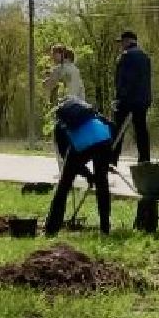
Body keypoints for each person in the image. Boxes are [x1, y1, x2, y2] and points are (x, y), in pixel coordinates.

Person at [45, 97, 113, 236]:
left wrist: (87, 175)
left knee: (63, 186)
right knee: (102, 183)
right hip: (104, 138)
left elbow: (67, 160)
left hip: (81, 145)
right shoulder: (91, 115)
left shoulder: (59, 126)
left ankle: (51, 230)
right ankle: (105, 228)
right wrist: (108, 161)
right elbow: (110, 124)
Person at [112, 30, 152, 163]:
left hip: (127, 99)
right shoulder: (145, 57)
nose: (121, 45)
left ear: (128, 41)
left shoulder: (125, 56)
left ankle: (112, 158)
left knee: (118, 129)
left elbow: (121, 80)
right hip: (143, 99)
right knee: (141, 129)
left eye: (122, 42)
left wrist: (118, 98)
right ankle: (144, 158)